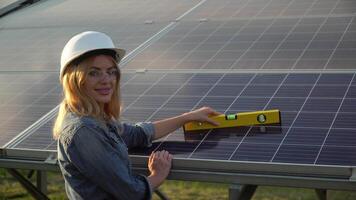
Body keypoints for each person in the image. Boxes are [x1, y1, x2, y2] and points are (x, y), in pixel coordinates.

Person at [53, 31, 220, 200]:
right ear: (74, 79)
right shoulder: (83, 132)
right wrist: (157, 175)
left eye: (111, 72)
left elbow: (136, 134)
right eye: (93, 73)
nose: (106, 80)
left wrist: (187, 117)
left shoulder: (95, 118)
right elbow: (131, 193)